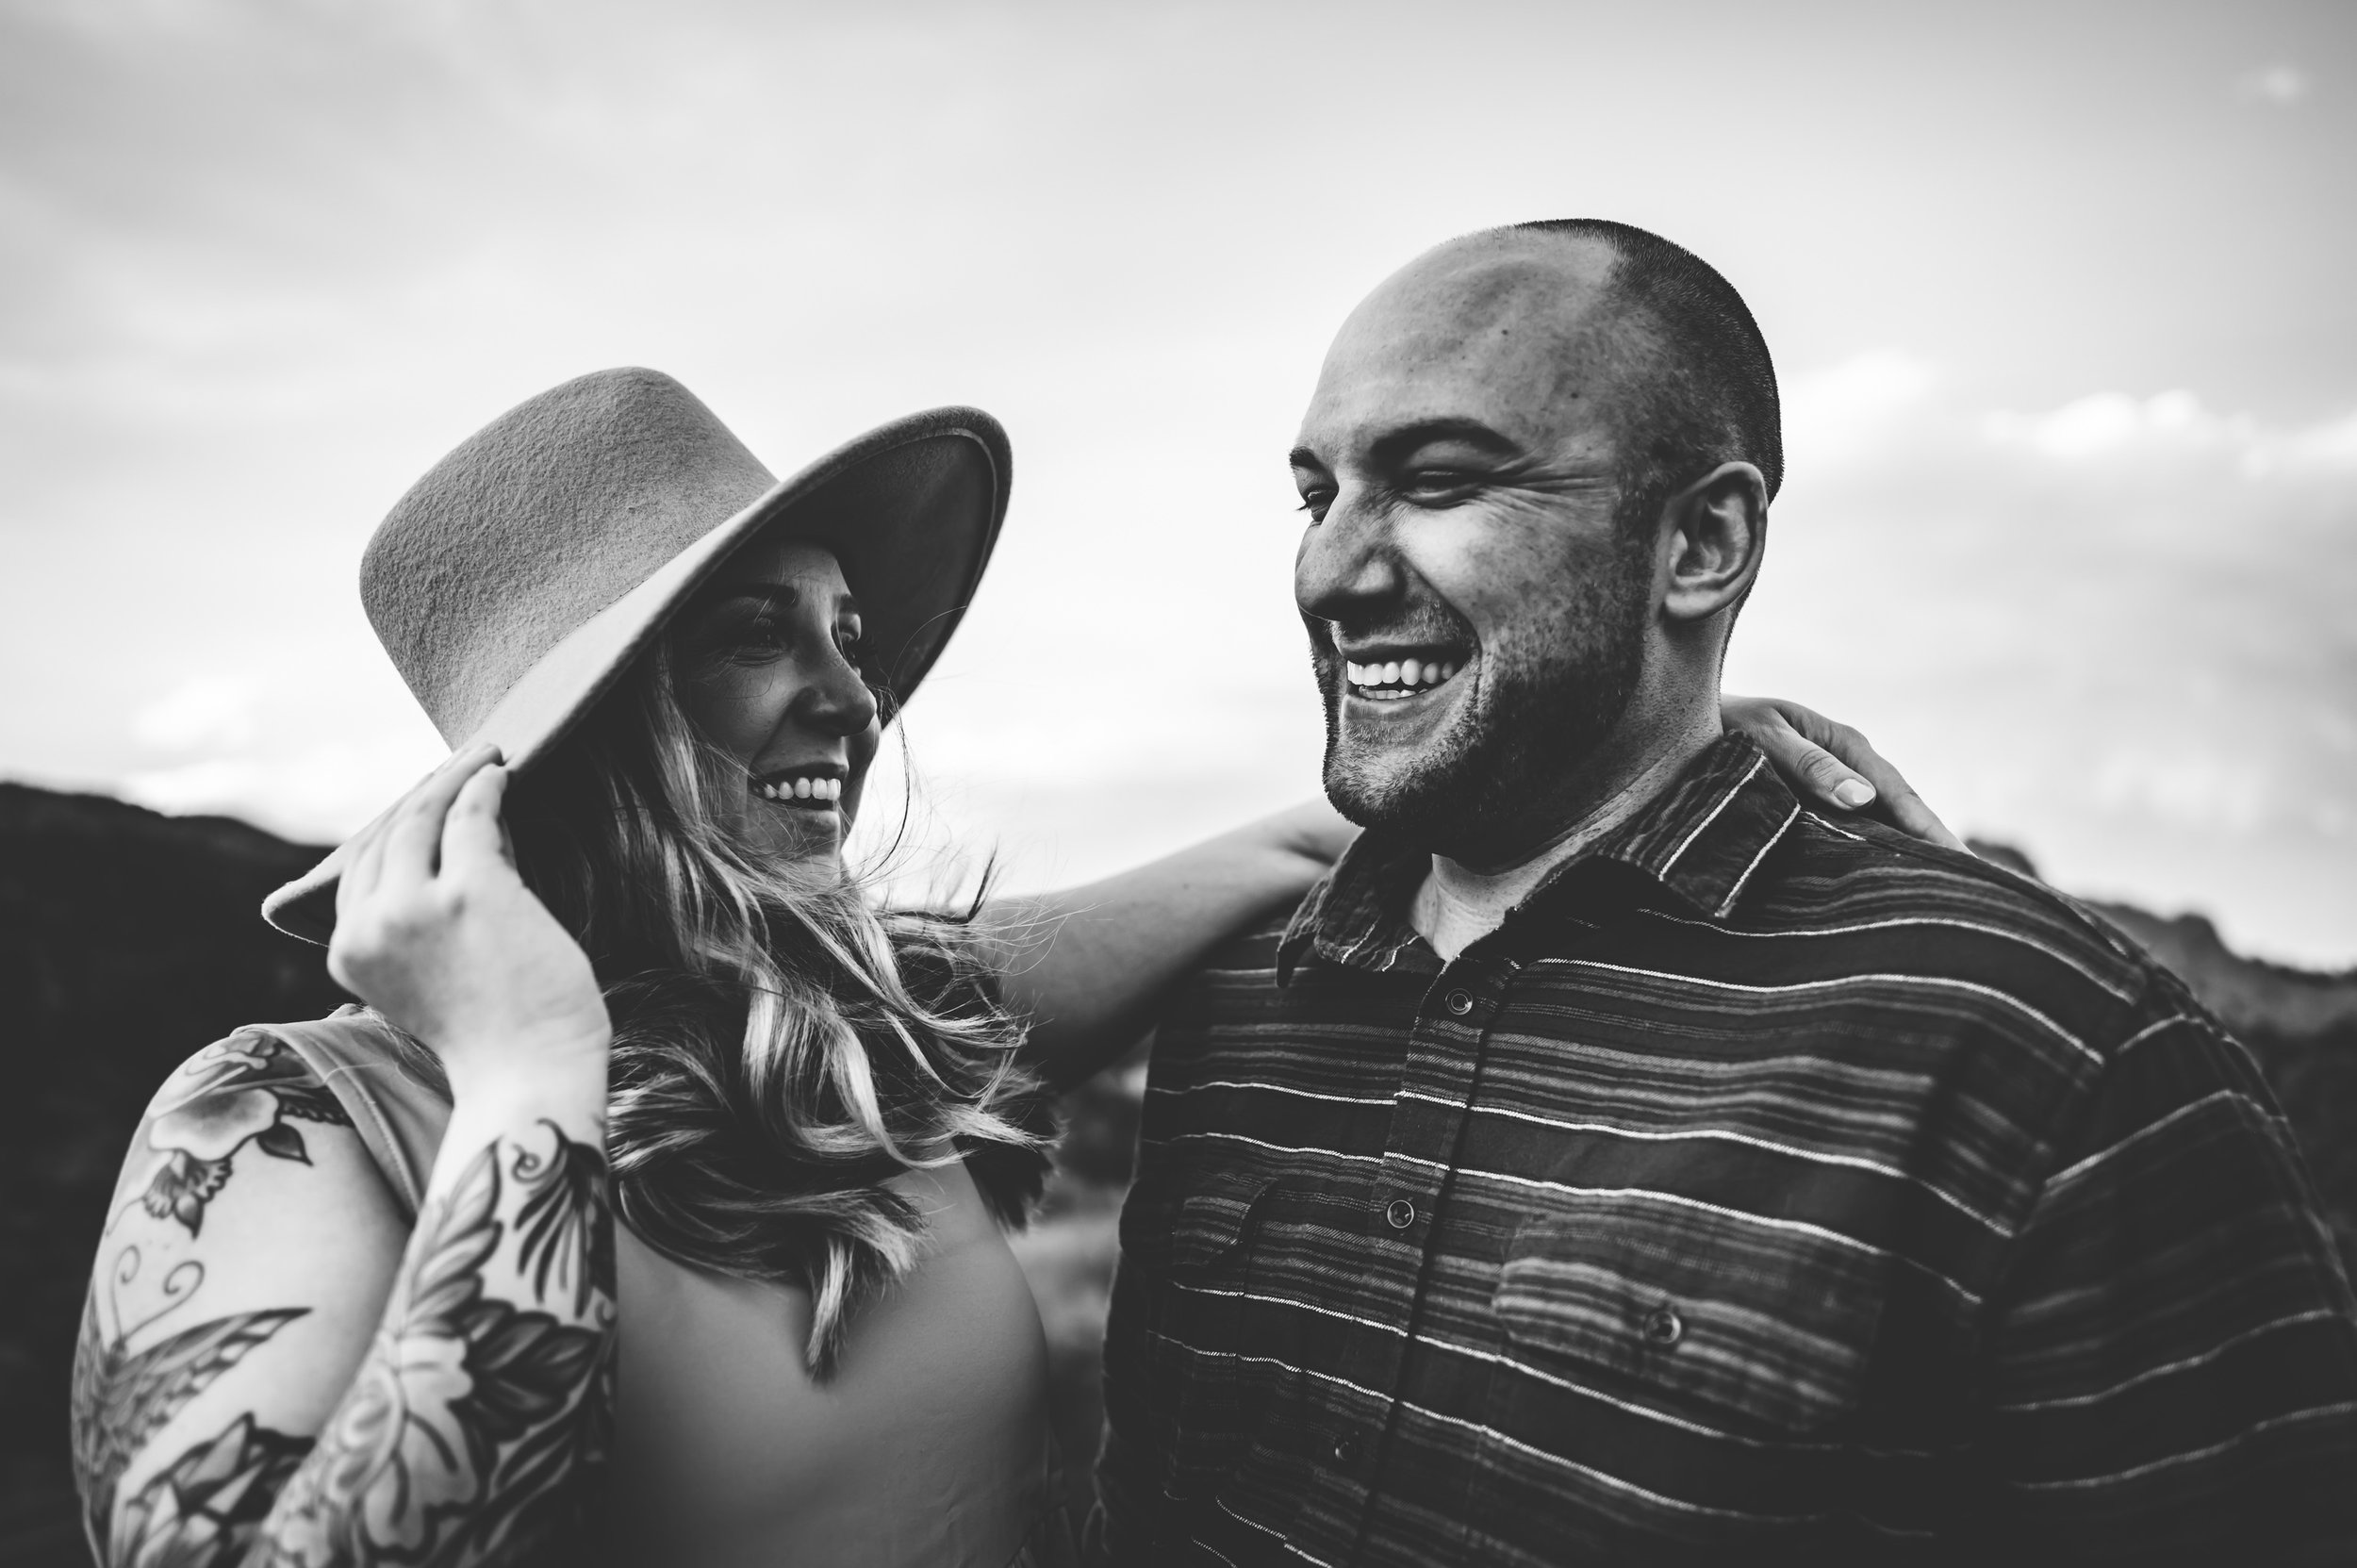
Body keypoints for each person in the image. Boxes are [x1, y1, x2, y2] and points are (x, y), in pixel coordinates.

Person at [70, 367, 1935, 1568]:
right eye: (753, 636)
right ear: (575, 736)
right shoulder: (287, 1123)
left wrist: (1646, 729)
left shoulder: (866, 1025)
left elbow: (1299, 847)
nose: (852, 690)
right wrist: (523, 1084)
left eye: (849, 632)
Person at [1090, 220, 2357, 1565]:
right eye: (1315, 495)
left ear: (1701, 542)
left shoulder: (2052, 1061)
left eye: (1441, 483)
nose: (1327, 572)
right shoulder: (1238, 997)